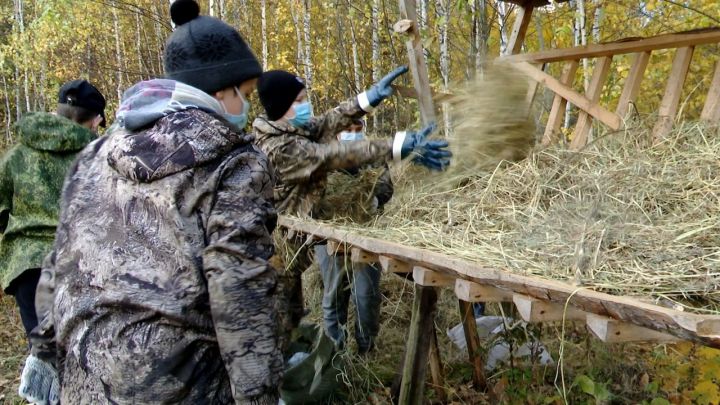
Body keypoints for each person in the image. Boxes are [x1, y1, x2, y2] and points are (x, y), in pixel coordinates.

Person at [24, 1, 283, 404]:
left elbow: (55, 272)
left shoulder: (92, 158)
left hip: (87, 379)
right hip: (185, 387)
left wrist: (51, 361)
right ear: (220, 90)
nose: (246, 108)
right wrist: (258, 397)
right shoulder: (232, 164)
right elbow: (240, 294)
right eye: (244, 94)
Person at [252, 69, 452, 345]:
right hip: (275, 256)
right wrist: (395, 146)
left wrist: (366, 100)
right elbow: (332, 155)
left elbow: (327, 121)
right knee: (278, 331)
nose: (305, 105)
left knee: (294, 319)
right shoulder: (279, 148)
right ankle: (292, 380)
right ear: (281, 106)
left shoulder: (286, 127)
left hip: (291, 253)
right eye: (299, 101)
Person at [0, 79, 105, 344]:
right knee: (85, 351)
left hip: (28, 267)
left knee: (44, 353)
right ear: (94, 120)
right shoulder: (97, 155)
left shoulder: (16, 155)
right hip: (81, 264)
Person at [315, 119, 391, 353]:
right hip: (329, 235)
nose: (353, 134)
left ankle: (366, 350)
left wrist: (371, 196)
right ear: (336, 133)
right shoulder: (321, 158)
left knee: (366, 295)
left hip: (366, 233)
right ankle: (334, 355)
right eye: (348, 130)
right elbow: (310, 196)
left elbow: (387, 188)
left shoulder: (372, 155)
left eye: (358, 130)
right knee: (334, 295)